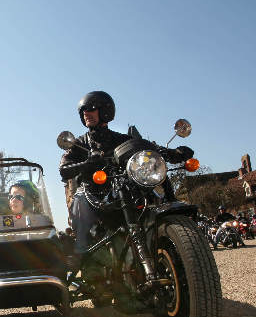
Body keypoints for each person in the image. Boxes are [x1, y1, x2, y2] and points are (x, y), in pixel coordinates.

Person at [59, 91, 193, 261]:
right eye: (83, 110)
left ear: (105, 111)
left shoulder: (122, 139)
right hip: (94, 193)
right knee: (80, 203)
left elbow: (146, 148)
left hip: (123, 187)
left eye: (91, 108)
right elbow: (64, 167)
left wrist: (173, 153)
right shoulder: (79, 144)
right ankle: (82, 253)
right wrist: (86, 164)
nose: (86, 113)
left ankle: (176, 242)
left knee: (153, 188)